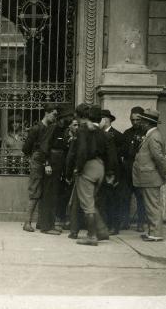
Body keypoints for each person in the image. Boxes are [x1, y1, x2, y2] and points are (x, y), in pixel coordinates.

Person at [66, 104, 116, 246]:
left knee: (87, 205)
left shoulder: (83, 130)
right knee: (92, 202)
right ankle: (101, 231)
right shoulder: (102, 132)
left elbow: (81, 151)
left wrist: (78, 168)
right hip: (100, 167)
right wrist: (110, 172)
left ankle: (91, 236)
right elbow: (110, 154)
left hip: (88, 167)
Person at [21, 103, 58, 232]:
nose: (55, 117)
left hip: (44, 160)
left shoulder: (50, 128)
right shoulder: (37, 128)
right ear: (46, 113)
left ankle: (41, 223)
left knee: (43, 192)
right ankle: (27, 223)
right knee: (35, 192)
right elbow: (25, 148)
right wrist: (33, 157)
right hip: (38, 161)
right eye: (53, 114)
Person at [133, 108, 166, 242]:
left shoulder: (153, 136)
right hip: (149, 176)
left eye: (142, 121)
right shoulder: (152, 135)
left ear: (147, 123)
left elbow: (159, 157)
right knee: (151, 205)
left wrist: (164, 172)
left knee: (152, 205)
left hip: (151, 177)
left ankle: (156, 233)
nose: (140, 123)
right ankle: (152, 232)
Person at [37, 107, 74, 235]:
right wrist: (47, 164)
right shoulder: (54, 128)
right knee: (49, 195)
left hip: (58, 166)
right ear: (64, 117)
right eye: (70, 117)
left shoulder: (64, 130)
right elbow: (44, 146)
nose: (72, 119)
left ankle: (48, 224)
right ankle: (46, 227)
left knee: (54, 195)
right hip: (51, 166)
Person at [99, 109, 125, 235]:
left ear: (106, 120)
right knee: (102, 200)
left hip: (112, 172)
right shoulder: (98, 134)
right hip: (100, 171)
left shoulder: (118, 136)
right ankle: (104, 225)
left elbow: (119, 156)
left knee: (112, 200)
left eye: (100, 119)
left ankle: (114, 226)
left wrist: (113, 174)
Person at [122, 106, 148, 232]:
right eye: (133, 120)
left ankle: (141, 223)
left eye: (138, 120)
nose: (135, 122)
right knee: (125, 196)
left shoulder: (147, 134)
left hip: (140, 170)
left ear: (142, 119)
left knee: (141, 197)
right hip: (127, 170)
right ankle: (125, 221)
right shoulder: (127, 133)